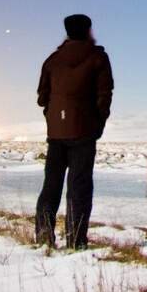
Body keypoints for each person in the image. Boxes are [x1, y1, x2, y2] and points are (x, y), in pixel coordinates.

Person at [35, 12, 114, 249]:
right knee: (79, 187)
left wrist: (53, 115)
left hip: (56, 133)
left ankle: (44, 236)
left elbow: (42, 97)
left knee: (51, 184)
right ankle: (76, 240)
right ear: (88, 31)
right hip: (84, 131)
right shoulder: (98, 58)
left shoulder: (52, 60)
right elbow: (104, 95)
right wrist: (98, 122)